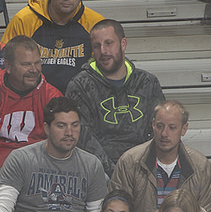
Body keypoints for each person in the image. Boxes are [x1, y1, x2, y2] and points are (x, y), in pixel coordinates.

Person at [0, 96, 106, 212]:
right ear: (46, 128)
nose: (69, 133)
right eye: (61, 126)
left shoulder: (92, 164)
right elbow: (3, 204)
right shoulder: (21, 158)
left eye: (75, 125)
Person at [65, 19, 164, 176]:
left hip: (143, 169)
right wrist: (116, 174)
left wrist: (141, 170)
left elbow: (159, 129)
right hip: (99, 173)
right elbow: (83, 137)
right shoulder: (80, 86)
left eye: (108, 43)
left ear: (123, 44)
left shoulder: (148, 83)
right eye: (97, 46)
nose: (103, 51)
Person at [109, 100, 211, 212]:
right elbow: (117, 209)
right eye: (160, 126)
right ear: (153, 125)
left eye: (172, 128)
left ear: (184, 129)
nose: (164, 133)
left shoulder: (201, 166)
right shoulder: (129, 162)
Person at [0, 36, 63, 166]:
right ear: (8, 66)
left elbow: (60, 144)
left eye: (37, 63)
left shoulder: (53, 98)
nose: (34, 70)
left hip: (40, 170)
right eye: (26, 64)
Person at [1, 0, 104, 93]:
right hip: (32, 96)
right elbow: (4, 63)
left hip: (81, 96)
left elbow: (107, 66)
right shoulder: (23, 20)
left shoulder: (96, 23)